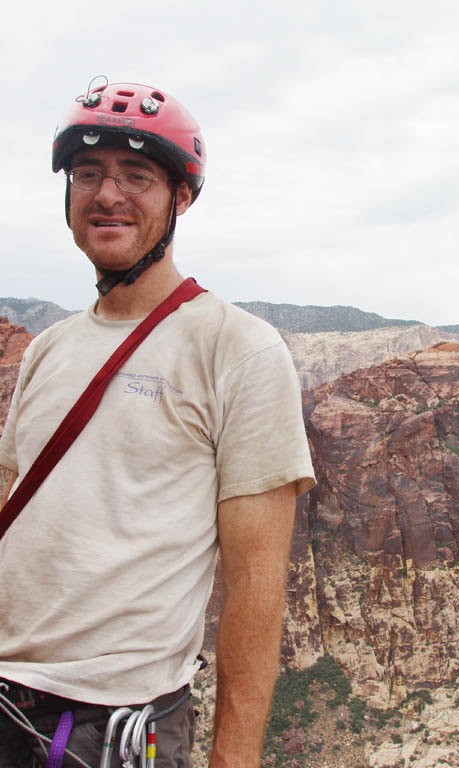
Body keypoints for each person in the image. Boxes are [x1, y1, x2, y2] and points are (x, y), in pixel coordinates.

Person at [0, 79, 315, 767]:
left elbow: (257, 586)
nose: (107, 195)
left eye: (137, 175)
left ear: (182, 197)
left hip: (107, 733)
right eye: (88, 174)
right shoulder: (49, 349)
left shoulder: (239, 349)